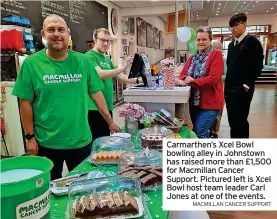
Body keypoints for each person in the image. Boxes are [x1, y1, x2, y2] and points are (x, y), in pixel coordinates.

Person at [12, 14, 120, 180]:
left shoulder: (82, 62)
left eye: (61, 30)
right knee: (49, 189)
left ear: (68, 34)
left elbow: (96, 94)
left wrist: (110, 121)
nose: (56, 34)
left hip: (80, 141)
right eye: (51, 30)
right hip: (46, 142)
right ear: (43, 34)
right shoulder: (31, 64)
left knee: (83, 186)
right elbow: (25, 102)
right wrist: (29, 137)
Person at [85, 28, 141, 142]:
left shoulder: (106, 59)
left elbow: (122, 77)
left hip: (107, 107)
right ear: (95, 39)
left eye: (108, 41)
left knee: (105, 139)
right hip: (94, 108)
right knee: (97, 142)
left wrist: (140, 81)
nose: (106, 43)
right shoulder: (89, 56)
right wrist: (123, 67)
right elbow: (100, 74)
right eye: (102, 40)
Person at [177, 26, 224, 138]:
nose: (201, 42)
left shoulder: (216, 55)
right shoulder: (192, 58)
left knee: (199, 132)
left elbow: (213, 79)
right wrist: (187, 79)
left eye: (204, 39)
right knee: (200, 132)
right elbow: (182, 74)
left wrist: (192, 81)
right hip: (194, 103)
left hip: (211, 103)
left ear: (210, 40)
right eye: (198, 39)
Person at [225, 13, 263, 138]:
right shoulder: (231, 45)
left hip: (242, 89)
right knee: (232, 121)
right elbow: (230, 65)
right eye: (231, 26)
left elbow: (257, 66)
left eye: (236, 24)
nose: (233, 28)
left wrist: (246, 85)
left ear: (244, 24)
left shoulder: (252, 42)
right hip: (229, 89)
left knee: (240, 121)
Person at [209, 40, 227, 138]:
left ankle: (214, 131)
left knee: (217, 112)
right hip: (209, 90)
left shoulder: (223, 60)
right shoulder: (210, 58)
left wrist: (215, 77)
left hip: (218, 90)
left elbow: (225, 75)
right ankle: (210, 130)